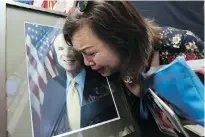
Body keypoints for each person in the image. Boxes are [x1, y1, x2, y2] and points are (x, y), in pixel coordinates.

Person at [62, 1, 204, 137]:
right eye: (81, 54)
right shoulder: (100, 73)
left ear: (120, 38)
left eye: (91, 53)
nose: (87, 62)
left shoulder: (182, 47)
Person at [40, 33, 118, 137]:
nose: (67, 54)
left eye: (71, 48)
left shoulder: (103, 80)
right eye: (60, 49)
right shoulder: (52, 86)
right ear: (55, 53)